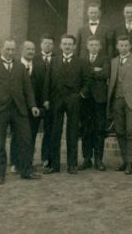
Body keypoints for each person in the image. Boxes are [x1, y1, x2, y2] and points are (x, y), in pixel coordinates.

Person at [0, 39, 41, 184]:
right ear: (2, 49)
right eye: (7, 49)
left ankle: (26, 170)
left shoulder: (20, 67)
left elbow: (28, 90)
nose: (10, 52)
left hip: (19, 109)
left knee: (26, 139)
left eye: (13, 50)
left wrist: (32, 106)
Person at [43, 35, 91, 175]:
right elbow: (47, 81)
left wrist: (81, 95)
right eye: (65, 44)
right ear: (60, 45)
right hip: (56, 100)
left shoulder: (81, 62)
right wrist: (46, 99)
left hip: (74, 100)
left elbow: (88, 81)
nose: (67, 46)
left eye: (70, 44)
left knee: (73, 132)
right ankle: (54, 165)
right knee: (55, 132)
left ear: (74, 46)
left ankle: (72, 164)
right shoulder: (54, 60)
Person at [108, 36, 132, 175]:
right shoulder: (113, 61)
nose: (123, 48)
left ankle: (131, 162)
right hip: (117, 101)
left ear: (130, 46)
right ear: (117, 47)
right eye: (121, 45)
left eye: (126, 45)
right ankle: (125, 160)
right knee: (120, 132)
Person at [10, 41, 46, 173]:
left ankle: (28, 162)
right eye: (28, 49)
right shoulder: (14, 65)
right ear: (21, 50)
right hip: (17, 108)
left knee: (31, 135)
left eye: (33, 49)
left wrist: (40, 106)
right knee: (16, 135)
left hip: (34, 108)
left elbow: (42, 87)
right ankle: (15, 163)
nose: (31, 51)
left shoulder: (40, 66)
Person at [79, 36, 110, 171]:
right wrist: (95, 71)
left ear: (100, 47)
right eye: (91, 45)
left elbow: (105, 74)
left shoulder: (105, 59)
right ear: (87, 46)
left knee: (99, 129)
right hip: (85, 99)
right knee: (86, 129)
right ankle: (87, 159)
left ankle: (99, 159)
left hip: (99, 99)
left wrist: (89, 72)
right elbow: (80, 75)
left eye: (96, 45)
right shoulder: (82, 59)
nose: (94, 47)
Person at [37, 34, 55, 168]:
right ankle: (24, 159)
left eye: (50, 44)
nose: (48, 46)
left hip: (50, 101)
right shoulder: (35, 59)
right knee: (30, 130)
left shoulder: (57, 59)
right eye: (45, 43)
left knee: (49, 130)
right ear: (41, 45)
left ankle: (46, 158)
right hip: (36, 101)